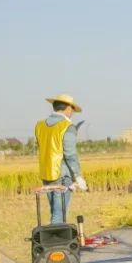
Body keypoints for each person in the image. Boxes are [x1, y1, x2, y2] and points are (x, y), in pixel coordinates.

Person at [35, 94, 87, 224]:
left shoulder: (39, 125)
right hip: (62, 174)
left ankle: (55, 241)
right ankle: (55, 242)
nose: (72, 113)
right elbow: (70, 155)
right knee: (59, 213)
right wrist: (78, 177)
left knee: (55, 211)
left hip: (46, 174)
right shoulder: (67, 126)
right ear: (68, 108)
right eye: (72, 110)